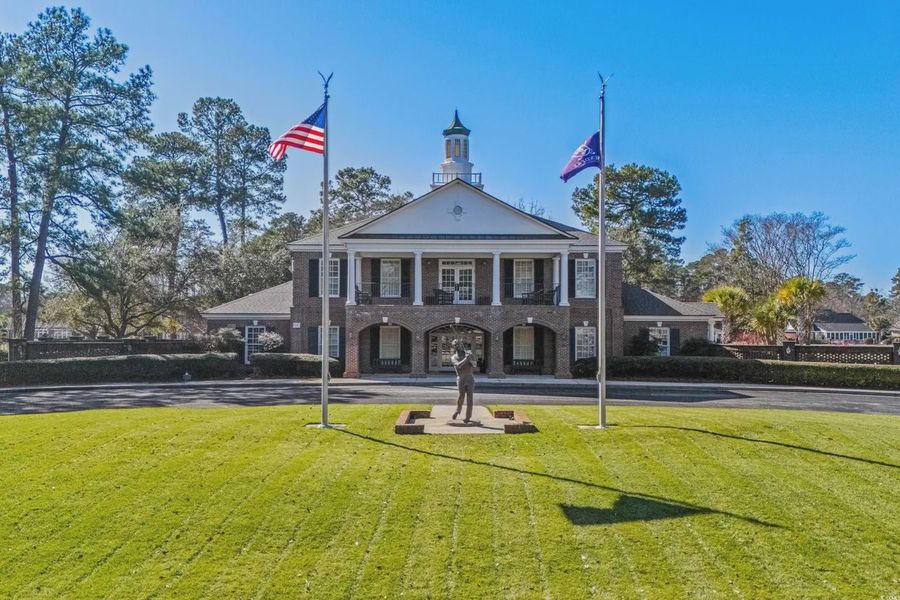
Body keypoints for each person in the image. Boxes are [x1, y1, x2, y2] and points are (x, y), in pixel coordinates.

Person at [450, 339, 475, 422]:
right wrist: (466, 359)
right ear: (454, 347)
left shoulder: (468, 354)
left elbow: (474, 365)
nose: (458, 347)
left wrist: (470, 357)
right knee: (461, 396)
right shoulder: (453, 357)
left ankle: (468, 416)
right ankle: (458, 411)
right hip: (460, 378)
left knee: (470, 398)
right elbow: (458, 365)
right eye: (456, 345)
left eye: (459, 345)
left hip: (470, 378)